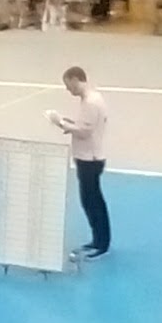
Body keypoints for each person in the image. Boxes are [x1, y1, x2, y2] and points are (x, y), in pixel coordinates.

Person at [49, 66, 111, 260]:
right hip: (90, 156)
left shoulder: (90, 102)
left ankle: (101, 243)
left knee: (92, 201)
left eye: (68, 85)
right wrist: (70, 123)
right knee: (91, 200)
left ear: (76, 79)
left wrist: (60, 123)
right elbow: (85, 126)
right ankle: (98, 240)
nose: (68, 89)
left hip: (89, 159)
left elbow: (84, 132)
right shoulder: (92, 99)